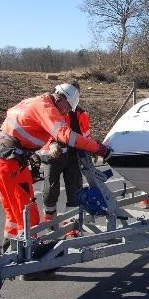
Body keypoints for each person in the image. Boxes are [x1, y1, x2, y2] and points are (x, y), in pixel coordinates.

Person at [0, 82, 110, 249]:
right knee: (28, 214)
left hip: (0, 159)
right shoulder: (45, 107)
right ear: (61, 99)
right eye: (67, 107)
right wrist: (99, 148)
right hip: (11, 161)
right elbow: (66, 135)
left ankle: (10, 250)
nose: (66, 112)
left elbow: (26, 128)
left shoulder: (31, 102)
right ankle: (28, 259)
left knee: (13, 213)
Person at [38, 81, 92, 226]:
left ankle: (71, 228)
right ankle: (51, 225)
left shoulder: (81, 114)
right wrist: (52, 145)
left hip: (73, 157)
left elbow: (86, 135)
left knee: (75, 192)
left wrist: (91, 149)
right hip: (54, 156)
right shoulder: (52, 109)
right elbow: (45, 130)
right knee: (50, 192)